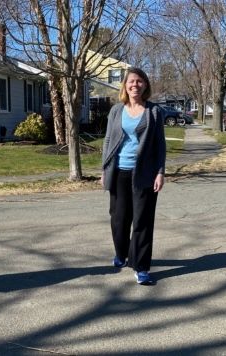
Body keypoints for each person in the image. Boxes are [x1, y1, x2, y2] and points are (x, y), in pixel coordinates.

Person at [100, 67, 166, 286]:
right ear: (125, 85)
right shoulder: (116, 111)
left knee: (142, 221)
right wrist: (104, 170)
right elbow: (108, 141)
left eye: (139, 81)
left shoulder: (154, 111)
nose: (135, 85)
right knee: (119, 221)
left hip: (145, 174)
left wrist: (160, 172)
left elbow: (160, 145)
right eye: (131, 81)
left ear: (145, 84)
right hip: (118, 172)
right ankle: (122, 253)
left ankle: (141, 267)